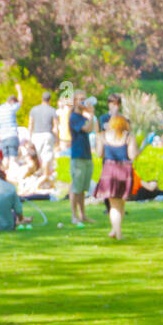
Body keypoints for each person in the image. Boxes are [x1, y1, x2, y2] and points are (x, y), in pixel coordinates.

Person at [94, 114, 137, 240]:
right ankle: (118, 234)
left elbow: (99, 154)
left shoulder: (103, 136)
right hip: (124, 171)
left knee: (114, 205)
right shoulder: (129, 137)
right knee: (121, 203)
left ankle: (115, 230)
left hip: (109, 170)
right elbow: (132, 155)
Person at [68, 92, 95, 225]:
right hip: (78, 155)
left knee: (83, 188)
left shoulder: (82, 117)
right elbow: (87, 128)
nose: (83, 102)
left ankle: (83, 215)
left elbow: (91, 129)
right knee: (76, 188)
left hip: (86, 154)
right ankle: (74, 215)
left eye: (84, 99)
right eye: (80, 99)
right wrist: (91, 116)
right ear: (74, 101)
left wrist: (90, 116)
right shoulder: (74, 117)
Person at [0, 82, 24, 173]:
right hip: (12, 135)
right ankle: (13, 176)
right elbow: (21, 101)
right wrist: (19, 89)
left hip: (3, 136)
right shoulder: (11, 108)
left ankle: (4, 174)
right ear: (12, 102)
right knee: (13, 158)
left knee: (5, 158)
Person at [28, 90, 57, 175]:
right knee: (46, 157)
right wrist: (57, 138)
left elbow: (30, 124)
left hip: (36, 135)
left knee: (38, 157)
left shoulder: (33, 109)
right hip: (47, 135)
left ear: (42, 99)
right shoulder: (52, 110)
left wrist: (29, 137)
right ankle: (45, 176)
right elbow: (55, 127)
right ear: (50, 100)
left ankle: (40, 174)